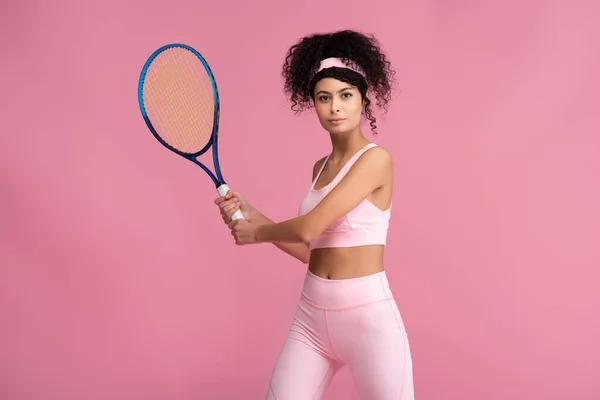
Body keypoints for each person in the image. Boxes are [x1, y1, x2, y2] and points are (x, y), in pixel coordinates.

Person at [214, 29, 415, 400]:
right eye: (324, 98)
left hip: (367, 319)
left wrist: (256, 234)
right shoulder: (319, 168)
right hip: (311, 318)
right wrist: (251, 213)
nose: (335, 107)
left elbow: (308, 228)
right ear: (313, 103)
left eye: (345, 95)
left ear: (365, 98)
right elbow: (315, 251)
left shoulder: (376, 160)